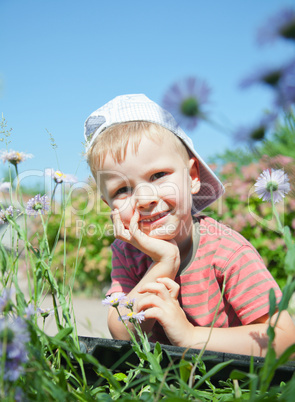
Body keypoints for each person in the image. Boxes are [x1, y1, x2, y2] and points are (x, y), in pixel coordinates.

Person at [84, 94, 295, 357]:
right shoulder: (127, 253)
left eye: (158, 175)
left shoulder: (226, 251)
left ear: (193, 177)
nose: (145, 199)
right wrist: (164, 263)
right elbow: (123, 333)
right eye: (122, 189)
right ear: (109, 205)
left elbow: (286, 340)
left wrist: (191, 337)